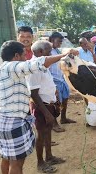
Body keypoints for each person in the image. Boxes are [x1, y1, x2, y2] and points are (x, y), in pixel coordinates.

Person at [0, 40, 76, 174]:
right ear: (16, 56)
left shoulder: (3, 70)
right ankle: (41, 161)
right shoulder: (12, 67)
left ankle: (48, 157)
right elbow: (38, 64)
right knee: (17, 162)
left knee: (6, 158)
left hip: (5, 120)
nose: (26, 57)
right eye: (24, 54)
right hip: (13, 122)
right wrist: (64, 55)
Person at [26, 41, 71, 173]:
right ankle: (40, 163)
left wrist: (55, 95)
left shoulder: (43, 66)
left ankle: (49, 156)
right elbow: (33, 93)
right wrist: (46, 113)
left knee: (48, 130)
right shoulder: (34, 67)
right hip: (41, 107)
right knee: (41, 134)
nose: (51, 53)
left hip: (48, 104)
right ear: (40, 52)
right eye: (48, 51)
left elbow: (46, 84)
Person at [49, 32, 76, 133]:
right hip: (53, 80)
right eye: (58, 41)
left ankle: (63, 118)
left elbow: (64, 59)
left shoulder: (57, 50)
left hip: (61, 78)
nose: (60, 43)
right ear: (52, 40)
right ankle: (54, 123)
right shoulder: (48, 52)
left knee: (65, 98)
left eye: (61, 42)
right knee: (55, 103)